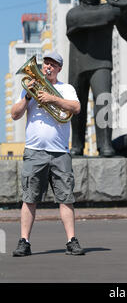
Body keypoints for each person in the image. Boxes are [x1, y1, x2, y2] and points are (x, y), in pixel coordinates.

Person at [11, 52, 85, 256]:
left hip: (60, 152)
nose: (48, 67)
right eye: (46, 64)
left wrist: (52, 98)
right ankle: (24, 241)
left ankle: (71, 240)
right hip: (34, 151)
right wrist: (28, 96)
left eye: (53, 64)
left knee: (66, 197)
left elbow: (76, 108)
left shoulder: (66, 88)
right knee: (30, 197)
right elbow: (15, 114)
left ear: (59, 68)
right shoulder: (29, 87)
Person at [66, 0, 127, 157]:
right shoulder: (73, 14)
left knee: (103, 101)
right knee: (76, 106)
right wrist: (109, 12)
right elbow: (90, 19)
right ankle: (77, 145)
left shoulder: (109, 9)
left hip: (101, 64)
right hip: (78, 66)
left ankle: (105, 144)